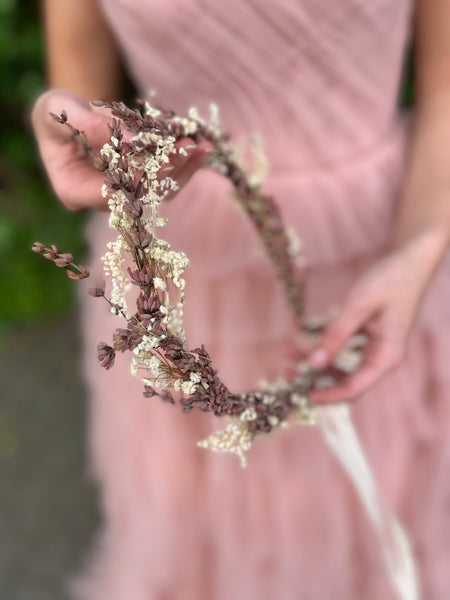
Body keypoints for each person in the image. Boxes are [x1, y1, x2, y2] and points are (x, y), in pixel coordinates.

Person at [32, 1, 450, 598]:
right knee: (204, 538)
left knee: (381, 525)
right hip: (185, 278)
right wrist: (77, 129)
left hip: (384, 246)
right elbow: (77, 94)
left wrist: (423, 244)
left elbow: (445, 90)